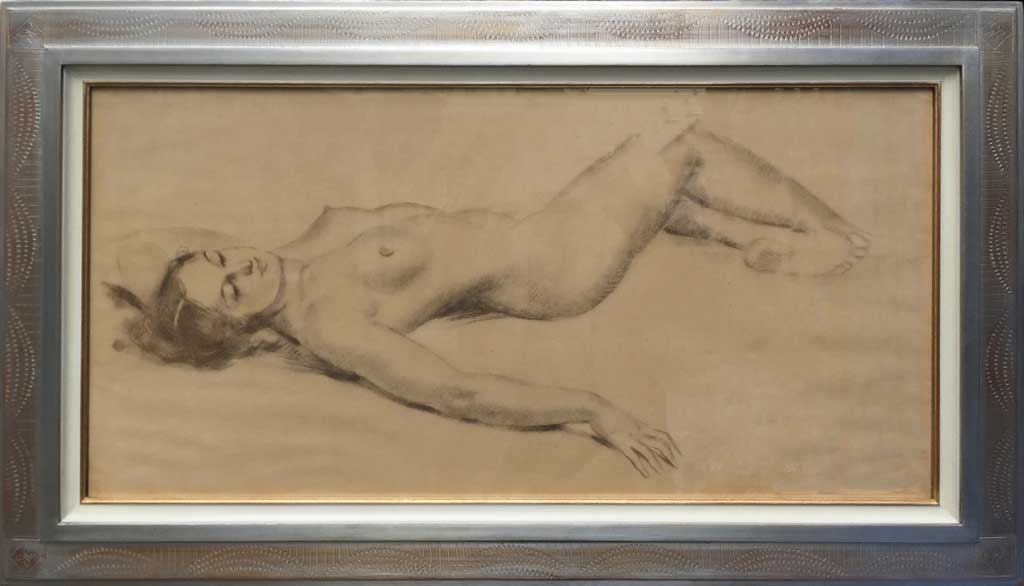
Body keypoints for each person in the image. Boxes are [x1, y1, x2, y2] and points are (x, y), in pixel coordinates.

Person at [111, 119, 868, 478]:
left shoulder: (290, 258)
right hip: (558, 265)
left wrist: (161, 295)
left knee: (660, 195)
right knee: (684, 144)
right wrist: (597, 409)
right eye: (231, 289)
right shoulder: (329, 323)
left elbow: (153, 247)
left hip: (534, 228)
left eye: (222, 258)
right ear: (237, 325)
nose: (240, 266)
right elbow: (458, 392)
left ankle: (730, 233)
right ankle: (834, 235)